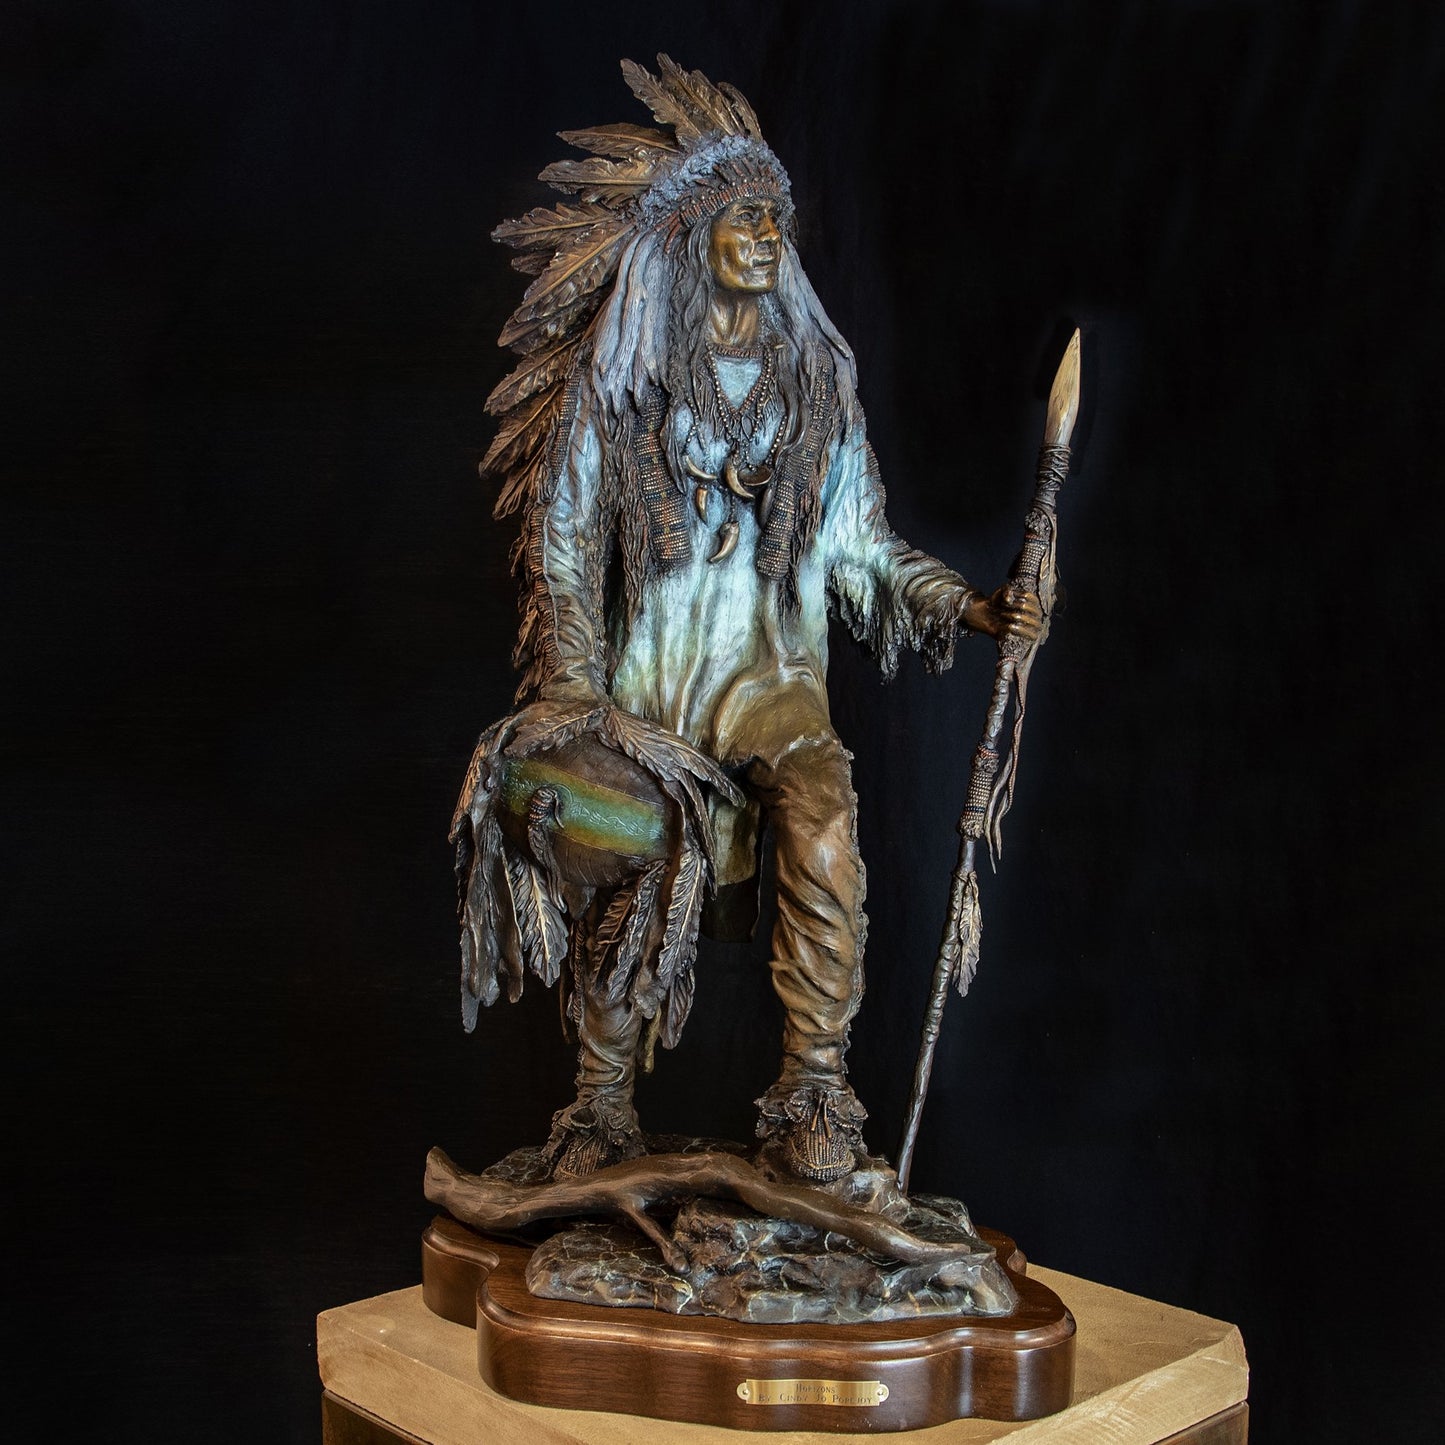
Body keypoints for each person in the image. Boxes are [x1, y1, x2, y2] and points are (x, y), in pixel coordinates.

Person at [452, 57, 1040, 1184]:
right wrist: (575, 687)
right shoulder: (622, 382)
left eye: (778, 218)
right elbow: (563, 539)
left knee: (824, 824)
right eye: (746, 218)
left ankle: (812, 1091)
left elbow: (860, 544)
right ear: (692, 237)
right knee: (631, 861)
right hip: (653, 687)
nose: (770, 237)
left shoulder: (812, 381)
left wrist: (970, 605)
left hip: (772, 688)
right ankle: (599, 1108)